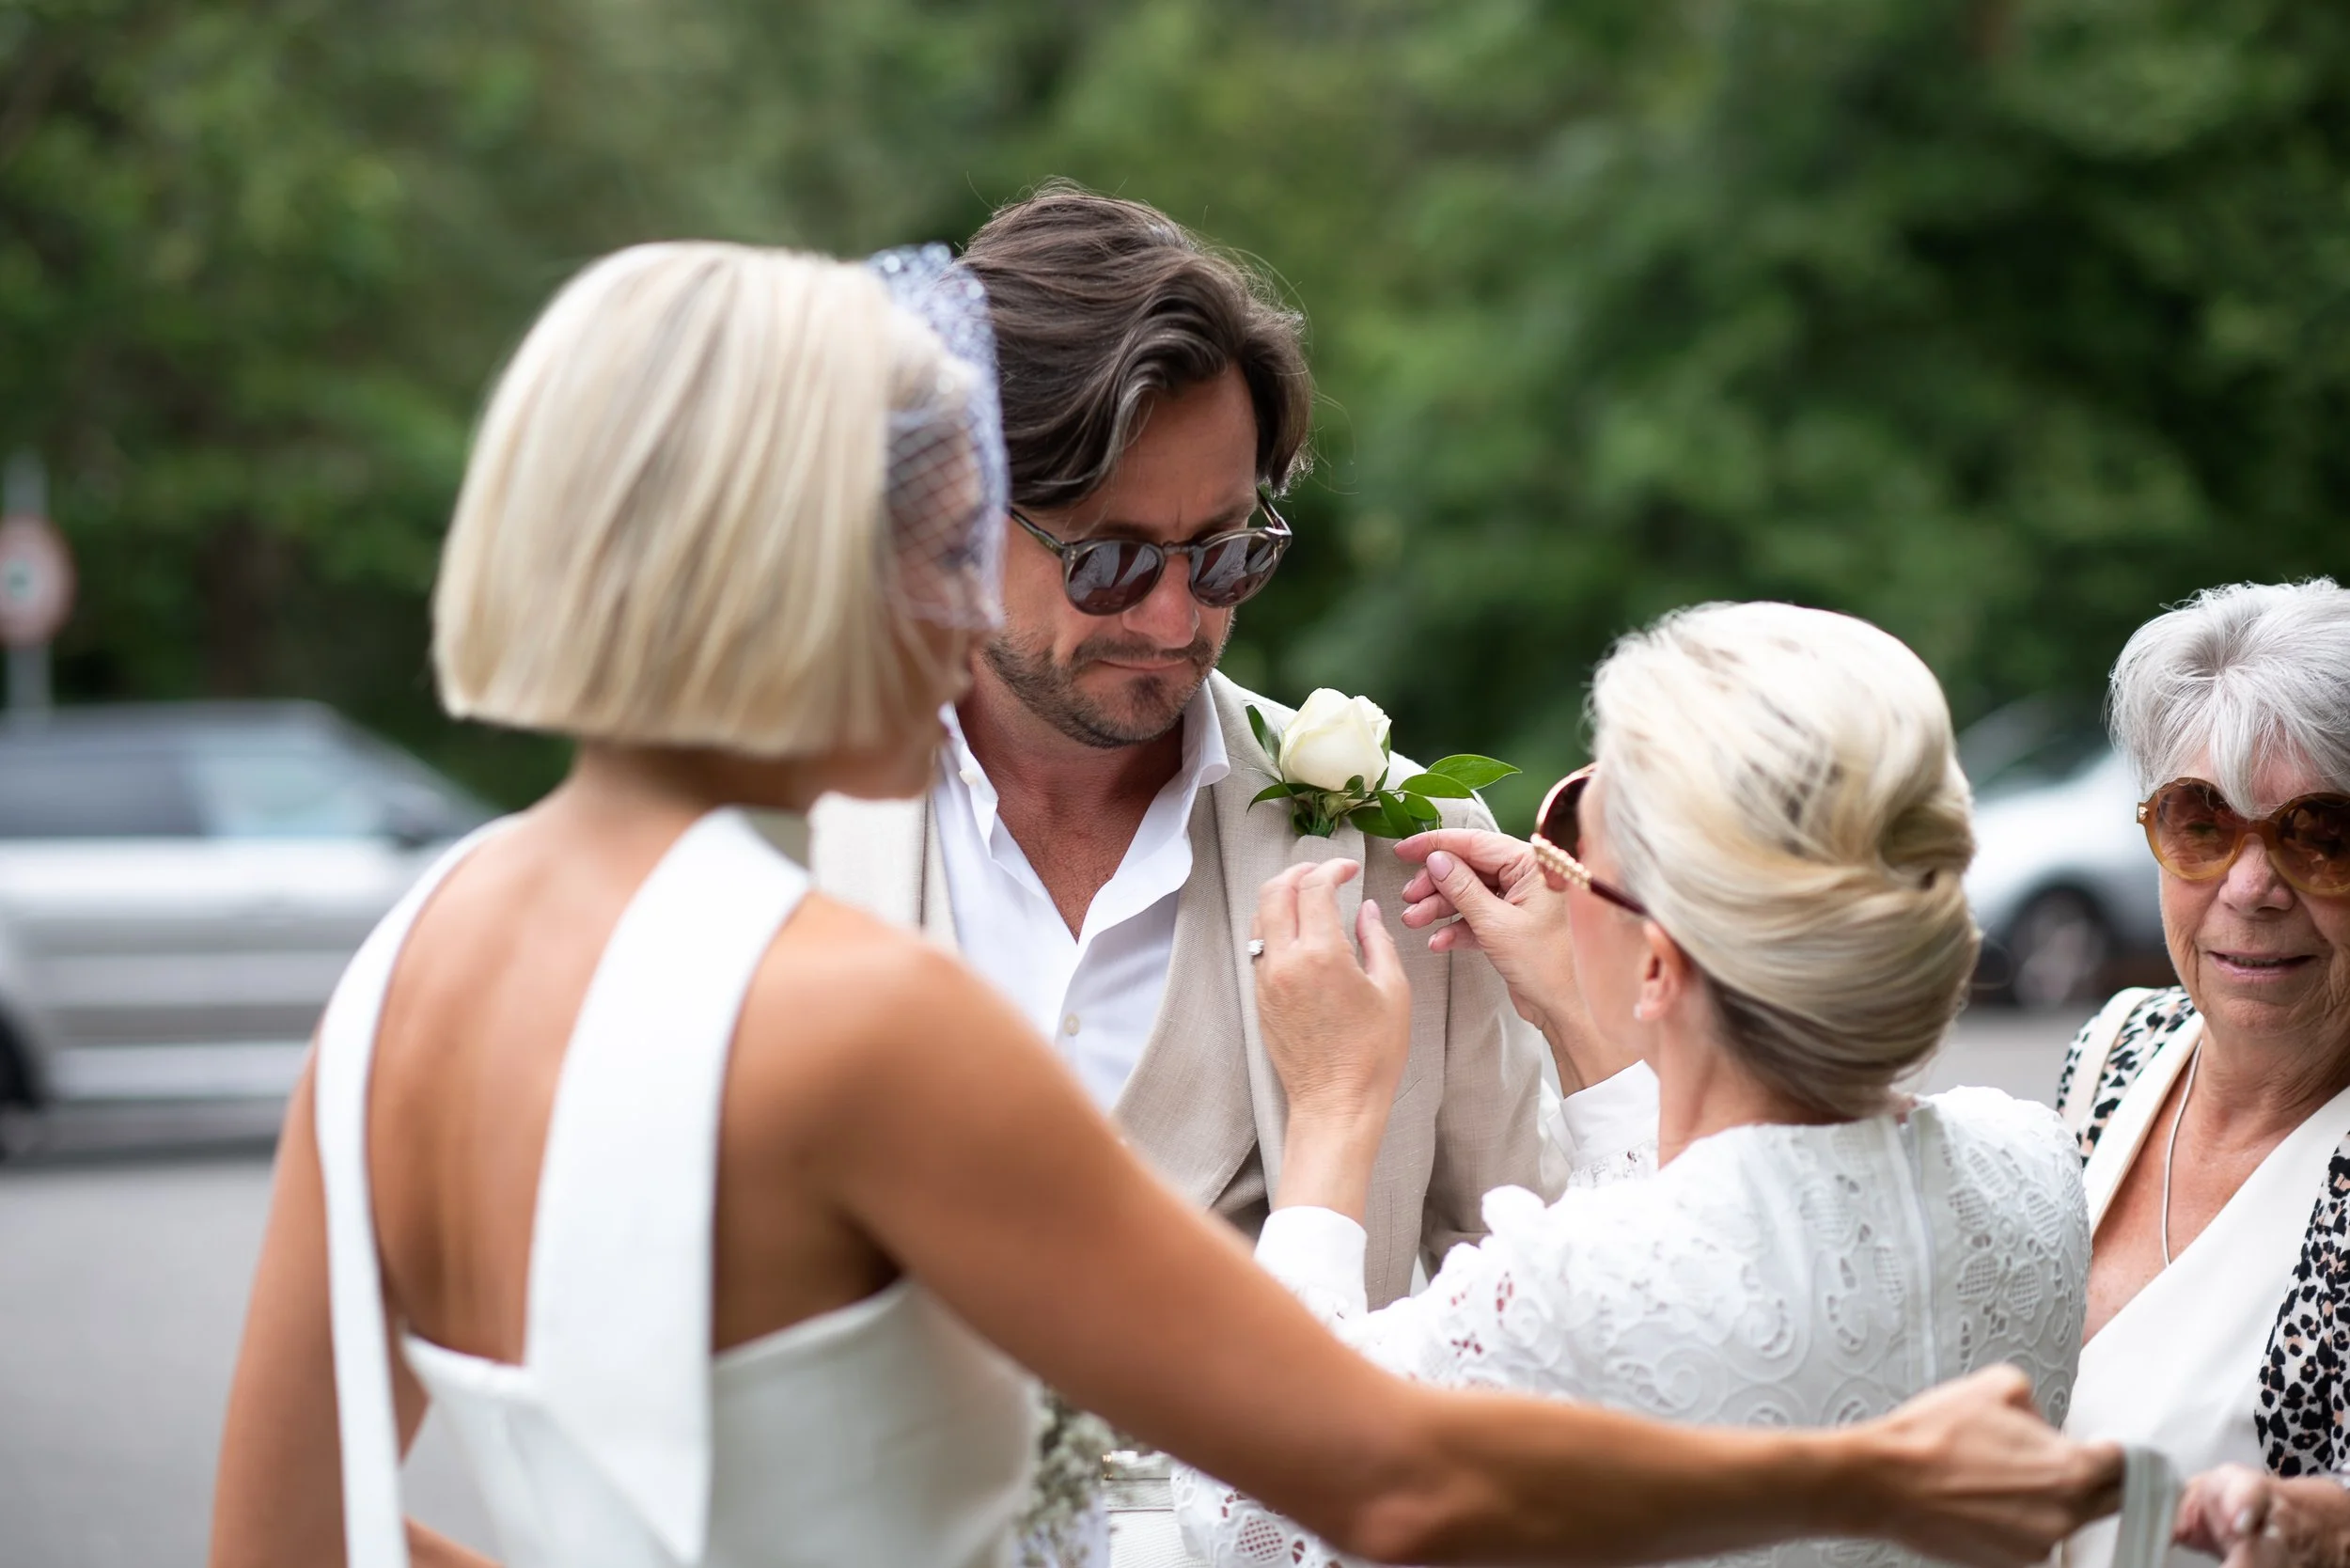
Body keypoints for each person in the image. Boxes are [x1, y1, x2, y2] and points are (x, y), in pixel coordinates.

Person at [205, 242, 2123, 1568]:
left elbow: (289, 1544)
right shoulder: (850, 1010)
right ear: (787, 570)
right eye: (936, 549)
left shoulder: (402, 972)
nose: (953, 619)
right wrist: (1866, 1475)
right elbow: (1384, 1477)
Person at [1174, 602, 2097, 1568]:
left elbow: (1250, 1513)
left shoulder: (1564, 1295)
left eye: (1576, 841)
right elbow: (1728, 1217)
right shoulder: (2031, 1171)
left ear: (1658, 965)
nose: (1549, 864)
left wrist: (1332, 1104)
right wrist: (1581, 1013)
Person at [807, 183, 1554, 1313]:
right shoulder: (780, 831)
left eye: (1222, 555)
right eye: (1106, 562)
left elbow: (1535, 1304)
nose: (1172, 621)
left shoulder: (1414, 856)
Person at [2039, 581, 2350, 1568]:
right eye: (2201, 824)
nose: (2251, 888)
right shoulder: (2116, 1048)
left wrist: (2318, 1529)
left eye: (2323, 835)